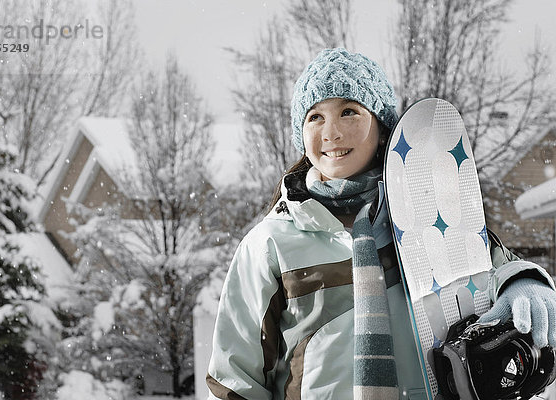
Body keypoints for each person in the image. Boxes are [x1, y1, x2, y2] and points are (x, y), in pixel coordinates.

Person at [206, 48, 556, 399]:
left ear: (382, 125)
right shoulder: (270, 243)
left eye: (349, 112)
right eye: (315, 117)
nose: (332, 133)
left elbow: (497, 269)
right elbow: (235, 378)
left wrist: (524, 283)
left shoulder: (430, 219)